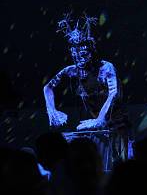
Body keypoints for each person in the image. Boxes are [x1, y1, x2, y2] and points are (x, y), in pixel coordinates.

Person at [43, 13, 131, 169]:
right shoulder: (72, 71)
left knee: (119, 162)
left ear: (92, 51)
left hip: (116, 123)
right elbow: (48, 87)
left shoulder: (106, 68)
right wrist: (52, 110)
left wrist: (101, 118)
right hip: (94, 124)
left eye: (83, 54)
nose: (79, 59)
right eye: (74, 55)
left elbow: (114, 93)